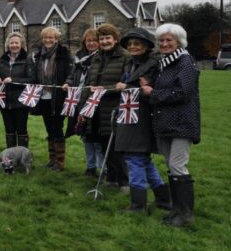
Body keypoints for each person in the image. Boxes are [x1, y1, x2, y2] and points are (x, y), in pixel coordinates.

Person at [140, 23, 200, 227]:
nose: (164, 44)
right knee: (171, 166)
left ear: (179, 42)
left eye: (169, 40)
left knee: (177, 165)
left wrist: (152, 94)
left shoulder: (186, 62)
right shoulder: (165, 63)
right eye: (162, 40)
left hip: (182, 122)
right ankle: (176, 210)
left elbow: (183, 93)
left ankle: (185, 214)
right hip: (165, 122)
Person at [113, 28, 171, 212]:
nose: (132, 47)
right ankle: (163, 199)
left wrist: (126, 86)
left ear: (146, 46)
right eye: (130, 44)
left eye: (137, 44)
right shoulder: (131, 64)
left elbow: (151, 91)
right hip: (128, 115)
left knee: (134, 159)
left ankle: (138, 204)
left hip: (143, 117)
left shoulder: (154, 65)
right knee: (142, 160)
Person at [82, 23, 129, 192]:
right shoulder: (96, 57)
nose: (104, 41)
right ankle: (111, 178)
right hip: (96, 108)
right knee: (103, 145)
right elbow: (89, 83)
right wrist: (83, 106)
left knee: (116, 147)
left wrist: (106, 89)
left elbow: (126, 84)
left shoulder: (125, 57)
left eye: (108, 38)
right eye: (101, 38)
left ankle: (125, 182)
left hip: (114, 108)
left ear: (115, 39)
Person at [31, 27, 72, 171]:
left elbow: (70, 73)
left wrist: (68, 82)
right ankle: (52, 159)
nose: (48, 40)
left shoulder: (64, 54)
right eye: (45, 38)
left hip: (58, 97)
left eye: (51, 38)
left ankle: (60, 162)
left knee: (57, 128)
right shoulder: (38, 55)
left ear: (56, 39)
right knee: (49, 128)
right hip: (43, 97)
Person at [64, 28, 102, 176]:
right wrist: (68, 82)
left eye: (94, 40)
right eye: (88, 41)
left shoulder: (100, 58)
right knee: (85, 137)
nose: (91, 43)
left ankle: (103, 168)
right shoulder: (79, 58)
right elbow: (73, 75)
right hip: (78, 100)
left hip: (94, 101)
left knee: (96, 137)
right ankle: (90, 166)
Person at [0, 33, 36, 149]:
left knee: (21, 130)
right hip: (5, 102)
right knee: (9, 130)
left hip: (21, 102)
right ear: (8, 45)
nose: (14, 45)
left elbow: (31, 79)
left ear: (21, 45)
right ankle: (11, 158)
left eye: (17, 43)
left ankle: (23, 157)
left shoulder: (28, 59)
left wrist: (13, 79)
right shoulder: (1, 60)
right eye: (12, 43)